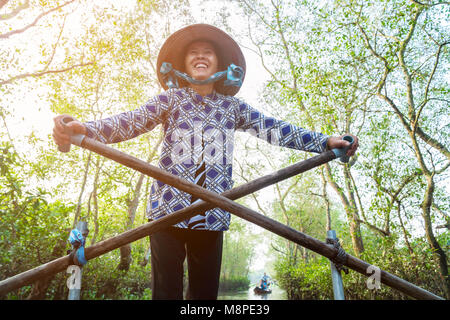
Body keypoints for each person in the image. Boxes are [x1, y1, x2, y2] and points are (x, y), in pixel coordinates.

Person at [52, 24, 359, 300]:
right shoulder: (169, 100)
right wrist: (86, 129)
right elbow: (129, 122)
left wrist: (324, 142)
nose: (200, 57)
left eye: (207, 53)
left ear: (219, 63)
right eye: (193, 54)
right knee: (165, 293)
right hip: (167, 211)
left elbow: (276, 129)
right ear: (184, 64)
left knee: (203, 298)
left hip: (213, 211)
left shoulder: (232, 107)